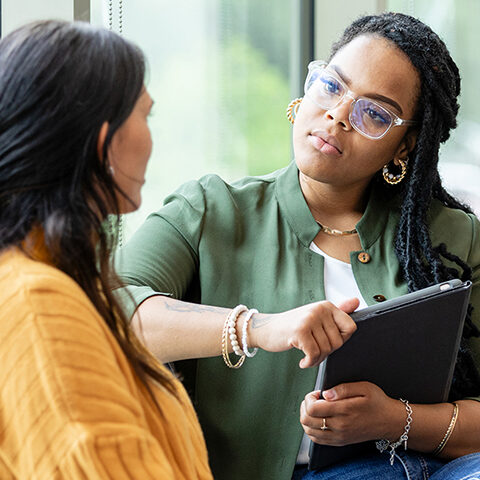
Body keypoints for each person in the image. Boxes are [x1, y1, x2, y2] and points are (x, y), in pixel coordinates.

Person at [115, 12, 480, 480]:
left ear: (404, 147)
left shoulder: (452, 237)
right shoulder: (211, 210)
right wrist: (257, 327)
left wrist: (396, 420)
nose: (338, 115)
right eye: (331, 86)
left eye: (374, 113)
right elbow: (110, 309)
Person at [0, 20, 217, 479]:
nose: (151, 137)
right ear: (104, 140)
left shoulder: (50, 283)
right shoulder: (38, 305)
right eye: (146, 115)